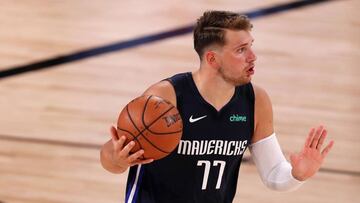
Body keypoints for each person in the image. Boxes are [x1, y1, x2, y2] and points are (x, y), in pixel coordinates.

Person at [100, 10, 334, 203]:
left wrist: (297, 175)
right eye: (241, 50)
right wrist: (118, 159)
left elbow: (274, 175)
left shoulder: (256, 101)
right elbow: (110, 156)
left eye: (251, 46)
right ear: (212, 59)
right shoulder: (166, 96)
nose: (253, 56)